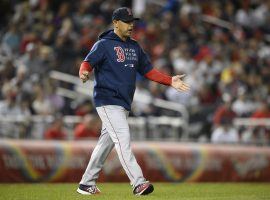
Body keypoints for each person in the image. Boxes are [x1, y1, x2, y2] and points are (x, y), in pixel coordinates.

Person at [77, 7, 189, 196]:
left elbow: (148, 71)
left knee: (106, 143)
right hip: (107, 100)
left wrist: (169, 80)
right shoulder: (103, 44)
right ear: (115, 23)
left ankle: (86, 183)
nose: (131, 25)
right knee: (123, 139)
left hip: (123, 103)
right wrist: (84, 72)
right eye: (127, 22)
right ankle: (138, 183)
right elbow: (87, 63)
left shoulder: (134, 46)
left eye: (132, 22)